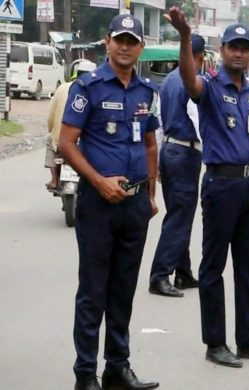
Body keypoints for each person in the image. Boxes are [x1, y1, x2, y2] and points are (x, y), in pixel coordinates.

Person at [165, 8, 249, 367]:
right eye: (233, 46)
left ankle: (248, 338)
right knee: (213, 268)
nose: (239, 53)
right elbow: (188, 79)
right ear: (223, 49)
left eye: (245, 48)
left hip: (248, 187)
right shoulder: (210, 88)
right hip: (220, 184)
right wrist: (186, 37)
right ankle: (215, 343)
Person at [59, 14, 159, 390]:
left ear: (140, 47)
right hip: (98, 205)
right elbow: (67, 142)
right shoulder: (87, 87)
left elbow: (151, 143)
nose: (125, 46)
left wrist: (151, 195)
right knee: (93, 292)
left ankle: (117, 366)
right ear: (107, 42)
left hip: (134, 207)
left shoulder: (147, 91)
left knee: (123, 290)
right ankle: (85, 374)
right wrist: (98, 182)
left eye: (132, 40)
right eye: (120, 38)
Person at [148, 34, 206, 298]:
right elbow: (198, 121)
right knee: (180, 217)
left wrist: (159, 157)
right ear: (201, 56)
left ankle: (183, 271)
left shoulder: (168, 81)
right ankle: (160, 274)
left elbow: (158, 122)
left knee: (177, 212)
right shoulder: (191, 81)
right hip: (185, 151)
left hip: (170, 150)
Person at [45, 60, 97, 190]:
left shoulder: (62, 88)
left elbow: (51, 116)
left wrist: (51, 130)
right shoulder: (98, 92)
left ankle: (54, 179)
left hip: (62, 141)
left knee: (50, 140)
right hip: (88, 144)